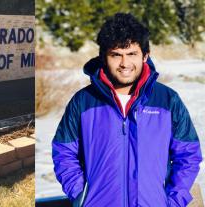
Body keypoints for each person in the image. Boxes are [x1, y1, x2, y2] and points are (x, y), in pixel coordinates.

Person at [52, 13, 202, 207]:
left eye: (132, 54)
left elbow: (188, 155)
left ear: (145, 56)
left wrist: (172, 201)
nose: (124, 64)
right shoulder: (83, 102)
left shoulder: (167, 100)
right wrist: (81, 195)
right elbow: (63, 152)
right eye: (116, 55)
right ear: (104, 57)